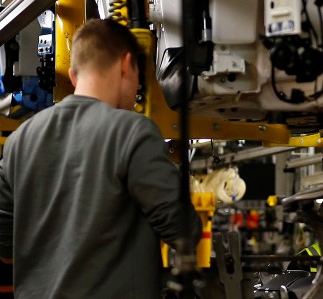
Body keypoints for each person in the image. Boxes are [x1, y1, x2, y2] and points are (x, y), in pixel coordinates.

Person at [0, 18, 201, 298]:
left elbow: (5, 247)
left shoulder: (19, 141)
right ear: (125, 65)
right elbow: (182, 229)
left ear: (73, 76)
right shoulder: (132, 131)